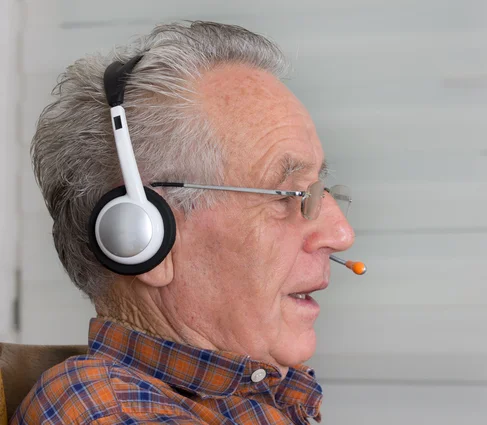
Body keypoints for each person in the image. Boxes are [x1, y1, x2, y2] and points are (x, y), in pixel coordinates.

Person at [12, 21, 355, 425]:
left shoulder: (249, 394)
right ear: (142, 235)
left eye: (321, 190)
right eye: (286, 195)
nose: (341, 234)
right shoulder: (105, 410)